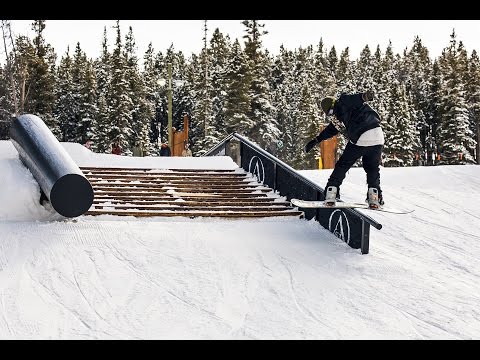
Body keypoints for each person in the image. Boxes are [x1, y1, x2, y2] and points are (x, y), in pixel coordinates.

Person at [304, 90, 385, 209]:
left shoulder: (343, 101)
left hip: (362, 134)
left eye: (331, 111)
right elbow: (331, 129)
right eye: (329, 114)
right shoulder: (339, 115)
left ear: (333, 104)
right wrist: (317, 140)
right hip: (378, 136)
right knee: (372, 167)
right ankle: (374, 197)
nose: (332, 114)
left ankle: (331, 193)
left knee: (342, 165)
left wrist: (364, 96)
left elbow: (354, 99)